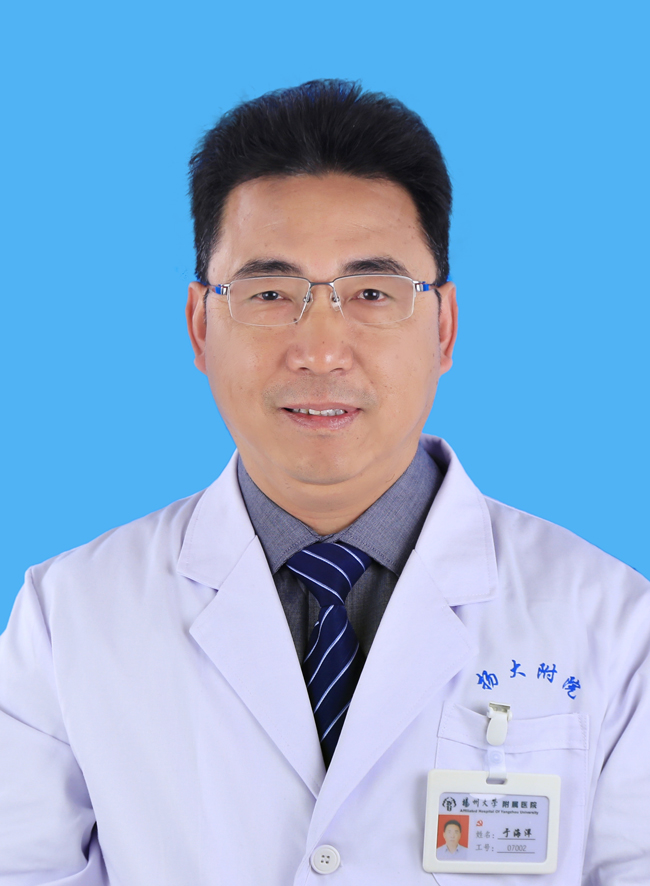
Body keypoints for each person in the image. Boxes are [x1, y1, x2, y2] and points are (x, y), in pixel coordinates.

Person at [0, 79, 648, 886]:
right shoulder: (67, 619)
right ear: (200, 325)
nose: (319, 350)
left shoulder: (616, 624)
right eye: (270, 294)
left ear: (444, 327)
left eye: (371, 293)